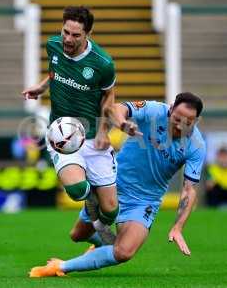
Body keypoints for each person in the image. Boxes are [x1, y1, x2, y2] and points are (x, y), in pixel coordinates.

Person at [29, 92, 207, 277]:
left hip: (144, 200)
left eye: (189, 122)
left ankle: (61, 266)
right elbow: (118, 108)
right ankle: (102, 247)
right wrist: (123, 123)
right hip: (112, 185)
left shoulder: (196, 145)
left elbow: (189, 189)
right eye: (177, 118)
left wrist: (178, 227)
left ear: (197, 120)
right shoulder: (154, 111)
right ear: (170, 109)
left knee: (124, 252)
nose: (180, 125)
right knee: (77, 235)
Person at [22, 6, 118, 240]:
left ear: (88, 34)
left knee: (111, 211)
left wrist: (105, 131)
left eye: (75, 35)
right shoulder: (53, 46)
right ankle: (93, 211)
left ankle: (94, 229)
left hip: (94, 135)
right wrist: (42, 87)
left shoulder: (102, 63)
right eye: (65, 32)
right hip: (62, 134)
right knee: (77, 191)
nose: (68, 39)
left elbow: (109, 97)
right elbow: (55, 72)